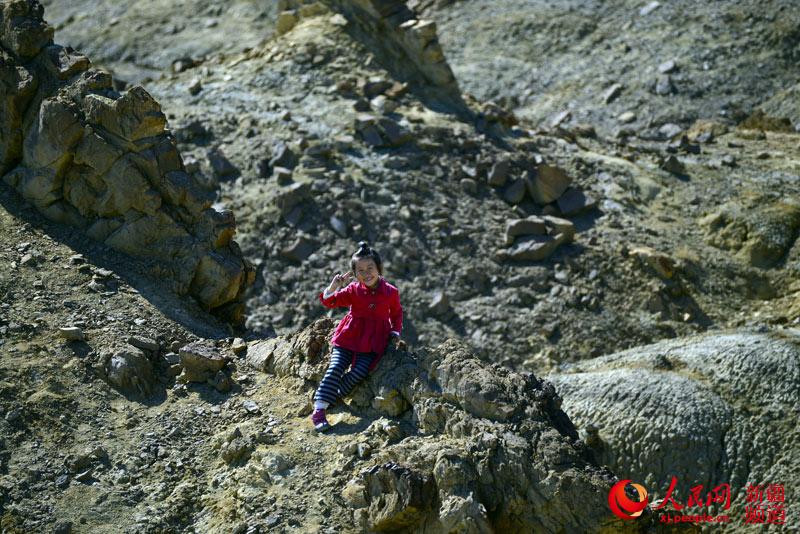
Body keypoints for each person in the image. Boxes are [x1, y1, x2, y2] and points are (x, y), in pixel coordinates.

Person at [310, 241, 403, 432]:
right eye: (360, 270)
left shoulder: (391, 292)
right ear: (354, 274)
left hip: (374, 340)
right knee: (336, 367)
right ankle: (319, 409)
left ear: (379, 268)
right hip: (349, 336)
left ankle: (332, 396)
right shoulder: (353, 290)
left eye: (370, 268)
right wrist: (333, 286)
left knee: (360, 372)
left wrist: (395, 331)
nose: (366, 273)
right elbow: (331, 302)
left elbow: (396, 313)